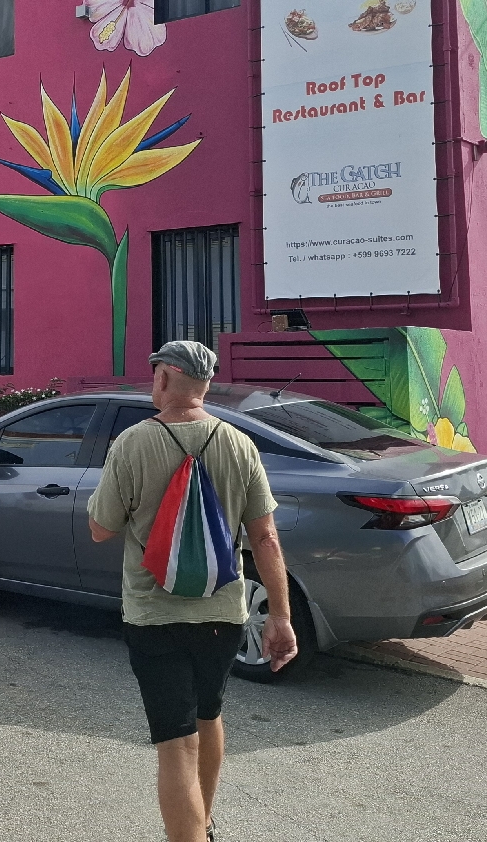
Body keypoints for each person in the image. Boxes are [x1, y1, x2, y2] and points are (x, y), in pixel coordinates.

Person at [87, 340, 298, 842]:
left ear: (163, 377)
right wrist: (280, 616)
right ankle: (202, 821)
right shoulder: (239, 444)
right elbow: (266, 538)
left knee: (175, 744)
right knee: (209, 715)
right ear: (205, 384)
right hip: (223, 615)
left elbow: (101, 528)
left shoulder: (133, 443)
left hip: (153, 615)